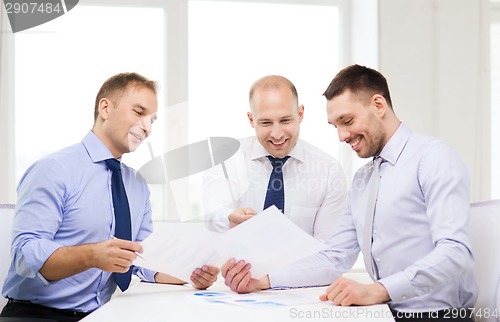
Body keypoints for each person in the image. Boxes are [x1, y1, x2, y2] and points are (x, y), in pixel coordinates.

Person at [1, 72, 219, 322]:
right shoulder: (54, 170)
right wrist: (91, 255)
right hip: (35, 315)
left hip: (101, 314)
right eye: (139, 113)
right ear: (105, 108)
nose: (147, 128)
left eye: (152, 120)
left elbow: (142, 256)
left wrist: (187, 273)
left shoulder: (136, 184)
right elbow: (25, 254)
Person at [318, 64, 477, 322]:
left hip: (439, 316)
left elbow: (456, 252)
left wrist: (377, 291)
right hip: (384, 313)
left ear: (378, 105)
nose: (341, 136)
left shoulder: (433, 157)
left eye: (347, 121)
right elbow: (334, 256)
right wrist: (262, 280)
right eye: (335, 126)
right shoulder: (362, 180)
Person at [204, 75, 347, 293]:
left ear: (301, 114)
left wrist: (266, 280)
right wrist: (229, 219)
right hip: (236, 294)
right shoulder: (226, 160)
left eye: (285, 120)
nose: (277, 134)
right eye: (265, 122)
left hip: (302, 292)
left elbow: (331, 256)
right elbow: (214, 213)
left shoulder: (328, 170)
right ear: (251, 120)